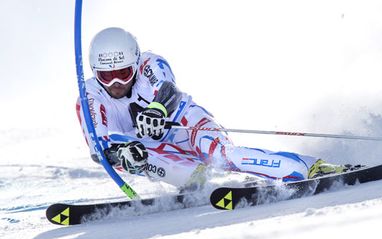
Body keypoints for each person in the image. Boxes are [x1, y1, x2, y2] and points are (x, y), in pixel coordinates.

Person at [76, 27, 347, 190]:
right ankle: (202, 184)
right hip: (154, 151)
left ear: (135, 62)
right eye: (106, 75)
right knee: (131, 155)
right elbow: (98, 146)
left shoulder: (150, 64)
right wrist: (117, 152)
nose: (115, 83)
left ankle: (311, 168)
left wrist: (157, 110)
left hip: (186, 125)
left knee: (223, 156)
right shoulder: (89, 96)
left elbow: (169, 90)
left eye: (123, 72)